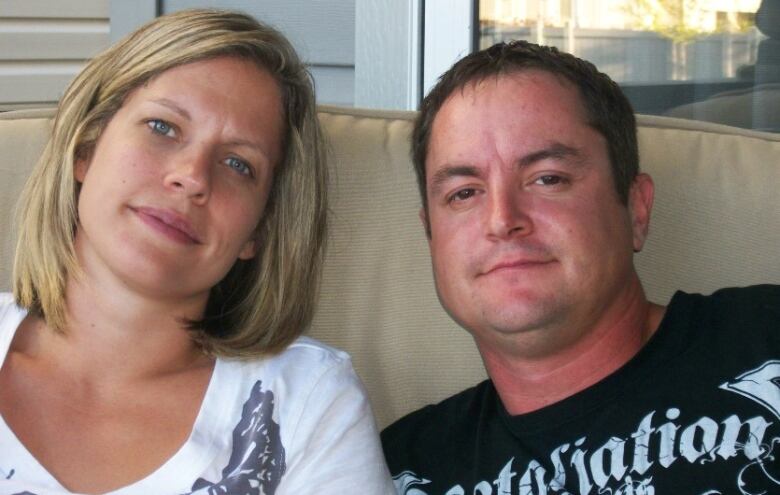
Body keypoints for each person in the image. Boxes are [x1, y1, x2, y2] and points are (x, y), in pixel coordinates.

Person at [0, 9, 394, 495]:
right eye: (163, 127)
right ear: (86, 148)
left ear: (258, 230)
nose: (192, 176)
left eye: (237, 163)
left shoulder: (307, 406)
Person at [381, 40, 780, 494]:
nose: (502, 220)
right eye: (464, 193)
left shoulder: (766, 338)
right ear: (431, 236)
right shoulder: (400, 471)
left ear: (636, 209)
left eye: (548, 178)